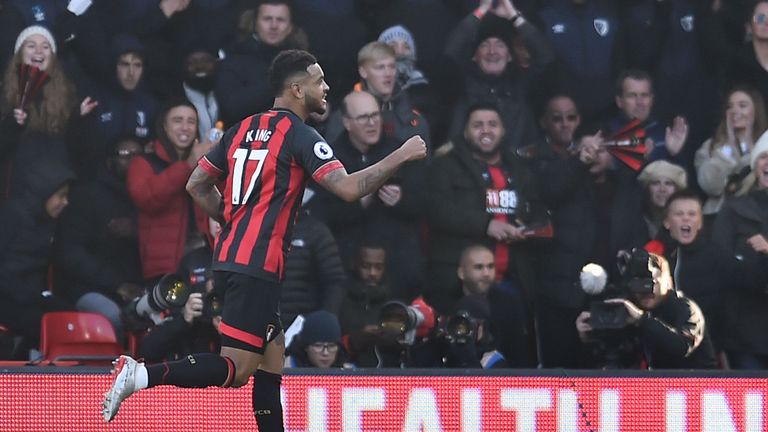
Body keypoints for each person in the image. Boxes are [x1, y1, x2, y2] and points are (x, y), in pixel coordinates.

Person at [102, 49, 427, 429]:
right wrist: (400, 155)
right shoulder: (302, 136)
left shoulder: (240, 128)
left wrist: (231, 218)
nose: (326, 87)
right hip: (256, 265)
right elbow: (350, 189)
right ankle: (140, 375)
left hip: (237, 259)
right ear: (296, 88)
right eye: (318, 80)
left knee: (271, 365)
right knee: (237, 369)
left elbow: (196, 183)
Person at [426, 102, 544, 315]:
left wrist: (526, 229)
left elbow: (537, 209)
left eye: (492, 124)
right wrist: (486, 224)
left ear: (503, 131)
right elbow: (437, 210)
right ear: (465, 132)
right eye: (478, 125)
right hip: (456, 284)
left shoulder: (520, 169)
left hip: (512, 281)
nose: (486, 130)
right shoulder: (445, 165)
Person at [313, 90, 426, 302]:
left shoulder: (402, 151)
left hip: (396, 266)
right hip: (348, 266)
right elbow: (322, 214)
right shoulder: (330, 158)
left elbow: (426, 202)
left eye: (375, 115)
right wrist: (357, 202)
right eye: (363, 117)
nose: (372, 123)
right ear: (347, 122)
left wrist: (401, 200)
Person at [54, 136, 145, 340]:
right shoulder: (86, 196)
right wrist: (116, 284)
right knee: (113, 317)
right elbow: (69, 253)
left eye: (138, 155)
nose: (133, 160)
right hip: (86, 287)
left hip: (135, 286)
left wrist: (139, 231)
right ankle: (117, 370)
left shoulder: (146, 196)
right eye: (125, 155)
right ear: (109, 161)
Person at [575, 250, 717, 369]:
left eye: (652, 283)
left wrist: (642, 320)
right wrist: (587, 338)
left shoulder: (684, 308)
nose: (646, 291)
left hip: (699, 388)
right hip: (655, 389)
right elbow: (615, 357)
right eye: (638, 283)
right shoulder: (629, 309)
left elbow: (682, 347)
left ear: (668, 282)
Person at [126, 98, 214, 282]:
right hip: (163, 268)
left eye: (191, 121)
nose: (185, 127)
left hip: (204, 262)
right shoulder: (143, 163)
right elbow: (147, 199)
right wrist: (188, 165)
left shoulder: (206, 164)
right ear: (164, 127)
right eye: (177, 120)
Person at [443, 0, 553, 149]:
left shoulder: (522, 83)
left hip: (517, 166)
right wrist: (481, 10)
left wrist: (513, 16)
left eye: (500, 45)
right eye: (485, 45)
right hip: (469, 167)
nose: (492, 51)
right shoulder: (462, 83)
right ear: (475, 56)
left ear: (510, 56)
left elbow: (545, 57)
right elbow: (450, 54)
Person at [0, 157, 76, 356]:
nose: (65, 202)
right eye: (61, 196)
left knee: (71, 319)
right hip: (8, 298)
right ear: (43, 193)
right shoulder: (11, 216)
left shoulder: (49, 223)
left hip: (33, 297)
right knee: (44, 325)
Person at [712, 133, 768, 369]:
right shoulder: (734, 209)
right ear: (755, 164)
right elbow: (719, 268)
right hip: (744, 336)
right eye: (764, 157)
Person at [660, 189, 738, 358]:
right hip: (667, 352)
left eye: (692, 214)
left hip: (709, 352)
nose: (686, 218)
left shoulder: (718, 257)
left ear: (700, 222)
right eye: (679, 214)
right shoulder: (658, 259)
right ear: (667, 222)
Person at [322, 41, 431, 149]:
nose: (388, 73)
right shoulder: (344, 118)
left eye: (392, 67)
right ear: (363, 72)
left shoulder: (415, 120)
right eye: (380, 67)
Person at [215, 0, 307, 126]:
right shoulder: (234, 59)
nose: (274, 25)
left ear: (290, 26)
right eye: (267, 19)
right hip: (246, 140)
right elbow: (232, 108)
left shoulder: (303, 61)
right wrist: (280, 80)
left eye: (280, 20)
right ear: (255, 23)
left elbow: (320, 113)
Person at [695, 86, 768, 220]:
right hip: (717, 217)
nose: (734, 111)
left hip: (758, 218)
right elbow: (710, 185)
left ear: (756, 110)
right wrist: (728, 147)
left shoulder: (765, 144)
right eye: (730, 106)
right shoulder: (711, 146)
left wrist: (750, 147)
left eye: (742, 106)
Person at [637, 160, 688, 240]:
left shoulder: (686, 221)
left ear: (676, 190)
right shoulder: (636, 222)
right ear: (648, 189)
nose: (662, 189)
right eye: (656, 183)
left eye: (668, 183)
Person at [284, 310, 348, 368]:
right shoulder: (285, 370)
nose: (325, 353)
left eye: (331, 346)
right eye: (318, 346)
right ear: (306, 347)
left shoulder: (350, 375)